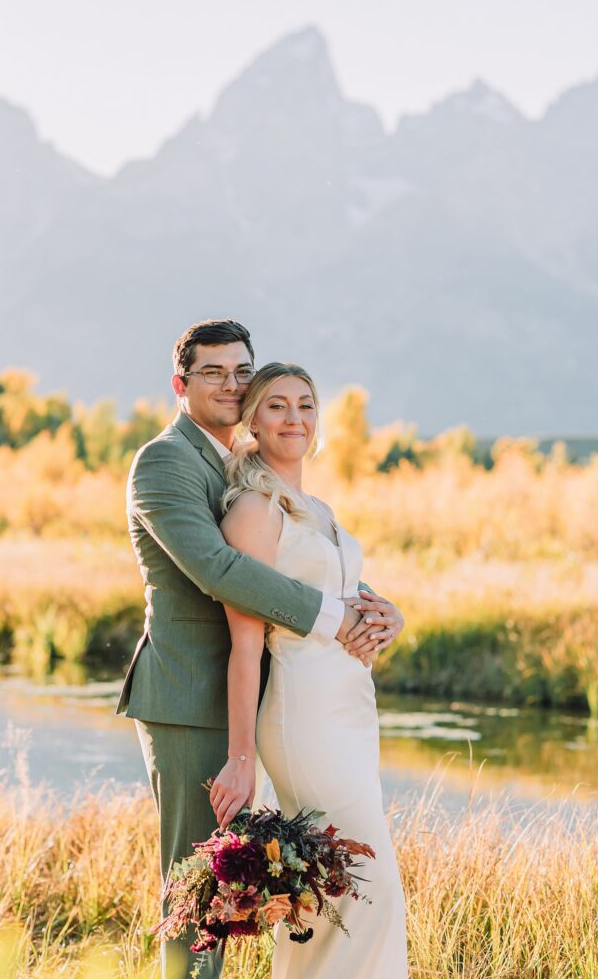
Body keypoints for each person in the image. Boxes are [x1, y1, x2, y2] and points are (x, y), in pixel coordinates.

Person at [116, 319, 405, 979]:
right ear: (180, 384)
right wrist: (334, 619)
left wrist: (376, 607)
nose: (230, 383)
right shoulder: (164, 461)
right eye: (213, 372)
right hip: (191, 696)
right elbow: (221, 569)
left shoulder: (244, 464)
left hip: (280, 697)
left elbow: (293, 558)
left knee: (267, 887)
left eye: (241, 371)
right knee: (197, 892)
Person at [209, 361, 409, 978]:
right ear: (253, 420)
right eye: (277, 405)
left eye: (305, 404)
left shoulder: (318, 507)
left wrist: (389, 615)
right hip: (305, 714)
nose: (294, 417)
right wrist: (241, 758)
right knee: (368, 885)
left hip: (352, 708)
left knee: (336, 890)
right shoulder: (253, 511)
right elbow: (245, 645)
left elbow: (340, 593)